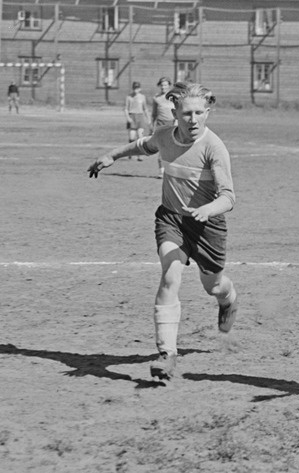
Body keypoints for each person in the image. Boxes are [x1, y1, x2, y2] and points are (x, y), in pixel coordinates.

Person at [87, 82, 240, 380]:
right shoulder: (165, 137)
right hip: (172, 219)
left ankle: (228, 299)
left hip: (208, 226)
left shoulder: (214, 148)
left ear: (207, 113)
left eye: (199, 113)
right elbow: (143, 145)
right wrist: (112, 156)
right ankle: (167, 354)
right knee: (171, 274)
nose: (192, 120)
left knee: (213, 285)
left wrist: (208, 210)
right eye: (186, 114)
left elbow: (229, 197)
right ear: (175, 112)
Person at [151, 76, 175, 178]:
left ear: (169, 85)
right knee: (162, 148)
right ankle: (161, 171)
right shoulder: (156, 98)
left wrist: (177, 124)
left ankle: (170, 170)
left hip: (172, 125)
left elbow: (178, 111)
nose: (163, 87)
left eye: (165, 85)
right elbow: (154, 114)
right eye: (161, 85)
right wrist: (152, 127)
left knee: (171, 149)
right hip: (160, 125)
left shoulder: (174, 97)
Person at [125, 81, 150, 161]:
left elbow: (145, 109)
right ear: (133, 88)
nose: (136, 90)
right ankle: (130, 152)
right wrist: (128, 117)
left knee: (140, 136)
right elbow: (126, 109)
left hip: (140, 116)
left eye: (137, 88)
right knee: (132, 137)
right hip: (132, 116)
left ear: (140, 89)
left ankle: (140, 154)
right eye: (134, 88)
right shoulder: (129, 97)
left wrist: (148, 118)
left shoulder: (142, 97)